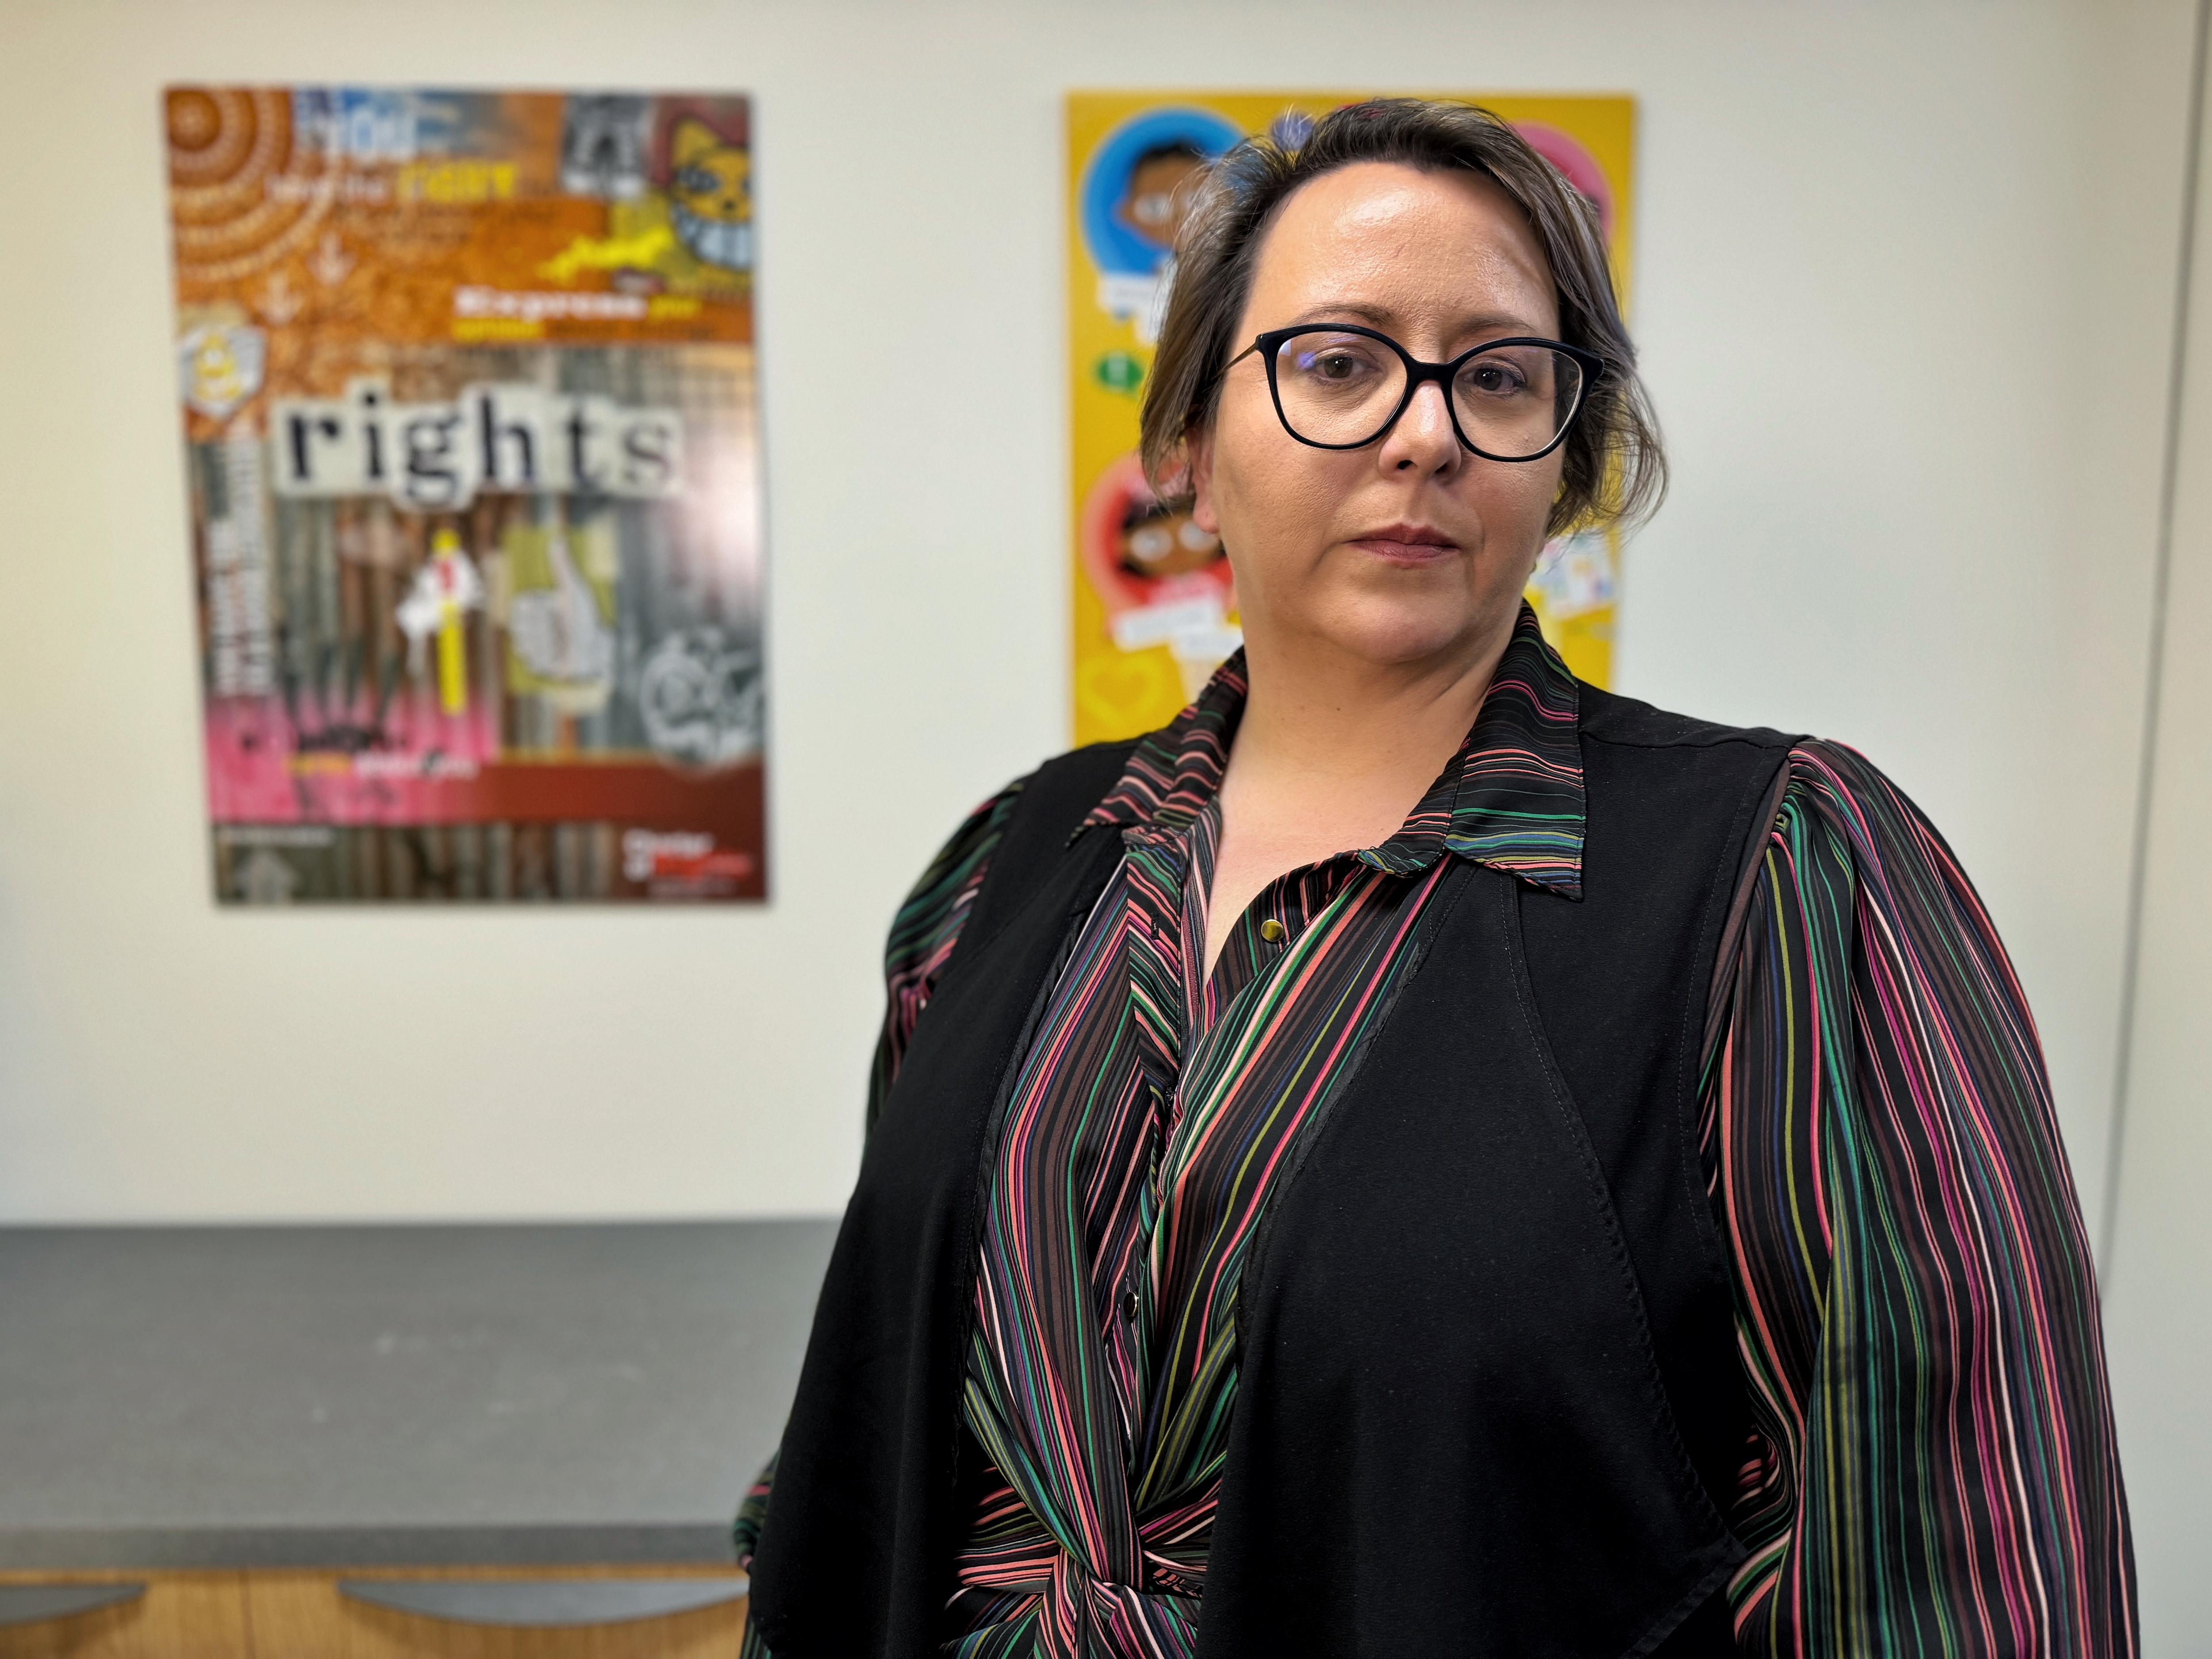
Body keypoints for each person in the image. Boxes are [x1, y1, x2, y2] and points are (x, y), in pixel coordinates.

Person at [737, 99, 2134, 1657]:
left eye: (1498, 375)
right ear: (1191, 449)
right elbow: (871, 1439)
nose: (1425, 431)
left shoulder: (1788, 873)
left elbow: (1957, 1568)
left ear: (1564, 464)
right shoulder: (1010, 864)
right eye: (1337, 362)